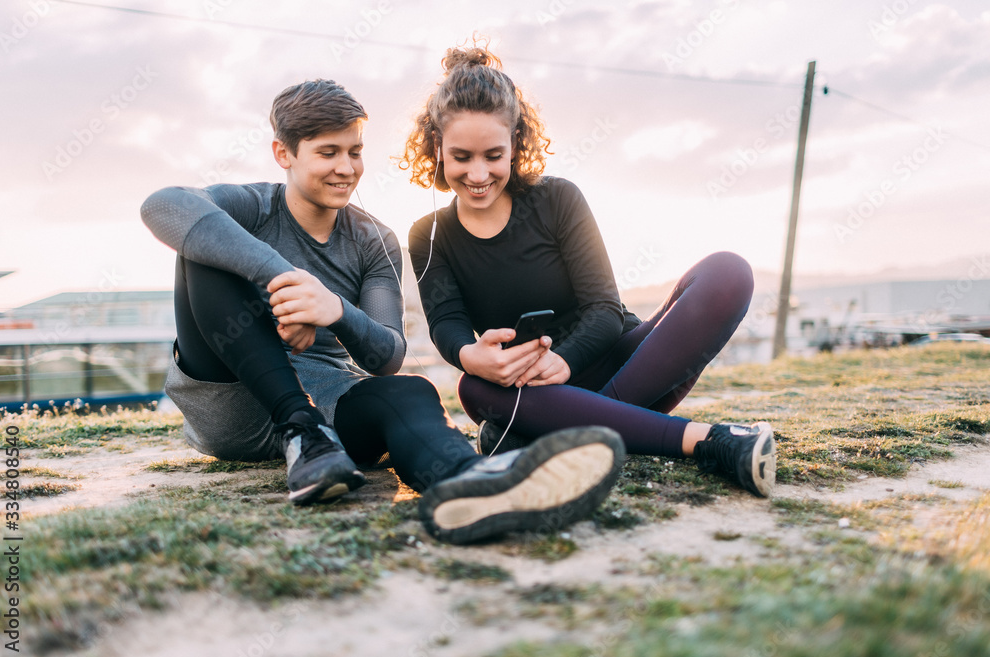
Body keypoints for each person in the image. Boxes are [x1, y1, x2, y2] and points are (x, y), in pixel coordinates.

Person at [140, 78, 626, 545]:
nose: (346, 168)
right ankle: (297, 430)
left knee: (409, 390)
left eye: (354, 151)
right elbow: (162, 204)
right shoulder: (251, 207)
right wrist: (285, 281)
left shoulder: (374, 242)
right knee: (203, 241)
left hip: (331, 414)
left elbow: (386, 353)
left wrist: (332, 309)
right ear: (283, 154)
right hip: (235, 404)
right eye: (327, 153)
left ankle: (474, 483)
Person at [402, 46, 777, 498]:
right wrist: (470, 355)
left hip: (622, 365)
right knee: (474, 389)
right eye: (462, 157)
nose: (478, 173)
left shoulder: (558, 199)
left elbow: (604, 309)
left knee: (728, 272)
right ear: (436, 147)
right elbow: (446, 321)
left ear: (517, 144)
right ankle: (709, 441)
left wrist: (566, 360)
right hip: (529, 391)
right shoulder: (429, 233)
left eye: (493, 155)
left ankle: (556, 434)